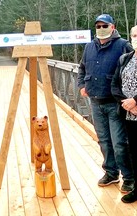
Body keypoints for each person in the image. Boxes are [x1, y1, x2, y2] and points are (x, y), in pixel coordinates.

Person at [77, 14, 134, 192]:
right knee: (103, 141)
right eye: (98, 26)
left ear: (113, 26)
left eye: (104, 25)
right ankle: (111, 172)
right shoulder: (89, 46)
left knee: (119, 142)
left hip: (115, 103)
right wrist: (81, 85)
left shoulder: (123, 45)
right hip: (95, 101)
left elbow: (132, 66)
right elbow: (81, 68)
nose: (101, 28)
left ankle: (129, 177)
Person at [111, 25, 137, 203]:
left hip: (134, 106)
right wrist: (127, 104)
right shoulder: (125, 58)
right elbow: (115, 85)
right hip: (129, 114)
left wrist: (135, 100)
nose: (135, 37)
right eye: (134, 35)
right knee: (134, 152)